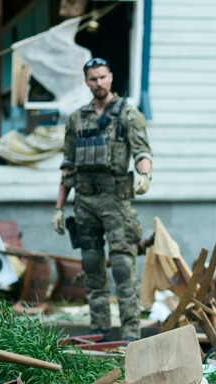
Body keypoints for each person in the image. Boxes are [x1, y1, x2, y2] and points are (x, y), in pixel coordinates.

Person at [52, 57, 153, 344]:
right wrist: (59, 208)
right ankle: (100, 332)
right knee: (93, 266)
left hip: (115, 202)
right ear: (86, 81)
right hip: (84, 202)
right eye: (92, 78)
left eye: (102, 77)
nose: (98, 83)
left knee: (123, 267)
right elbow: (68, 165)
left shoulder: (128, 114)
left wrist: (145, 176)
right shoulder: (77, 118)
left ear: (111, 77)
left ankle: (132, 334)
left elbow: (142, 152)